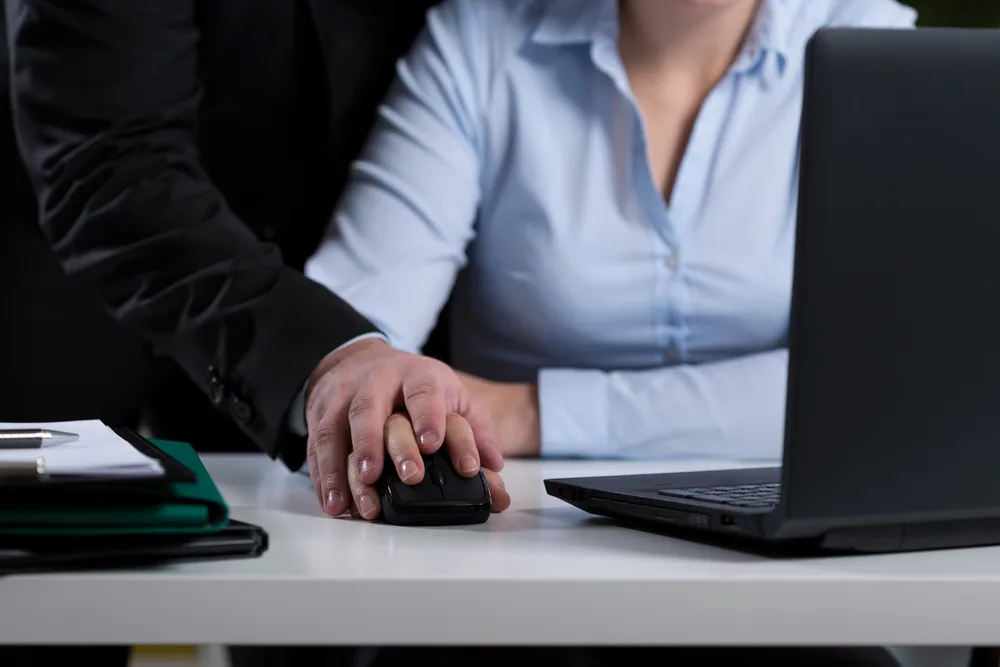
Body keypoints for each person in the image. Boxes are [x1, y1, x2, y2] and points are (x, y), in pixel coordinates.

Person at [1, 1, 507, 666]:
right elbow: (109, 160)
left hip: (370, 268)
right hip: (85, 279)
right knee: (48, 612)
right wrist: (326, 353)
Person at [306, 0, 918, 466]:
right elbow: (350, 344)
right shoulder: (480, 40)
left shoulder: (878, 47)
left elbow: (881, 388)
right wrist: (374, 379)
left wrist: (527, 414)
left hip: (785, 569)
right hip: (509, 546)